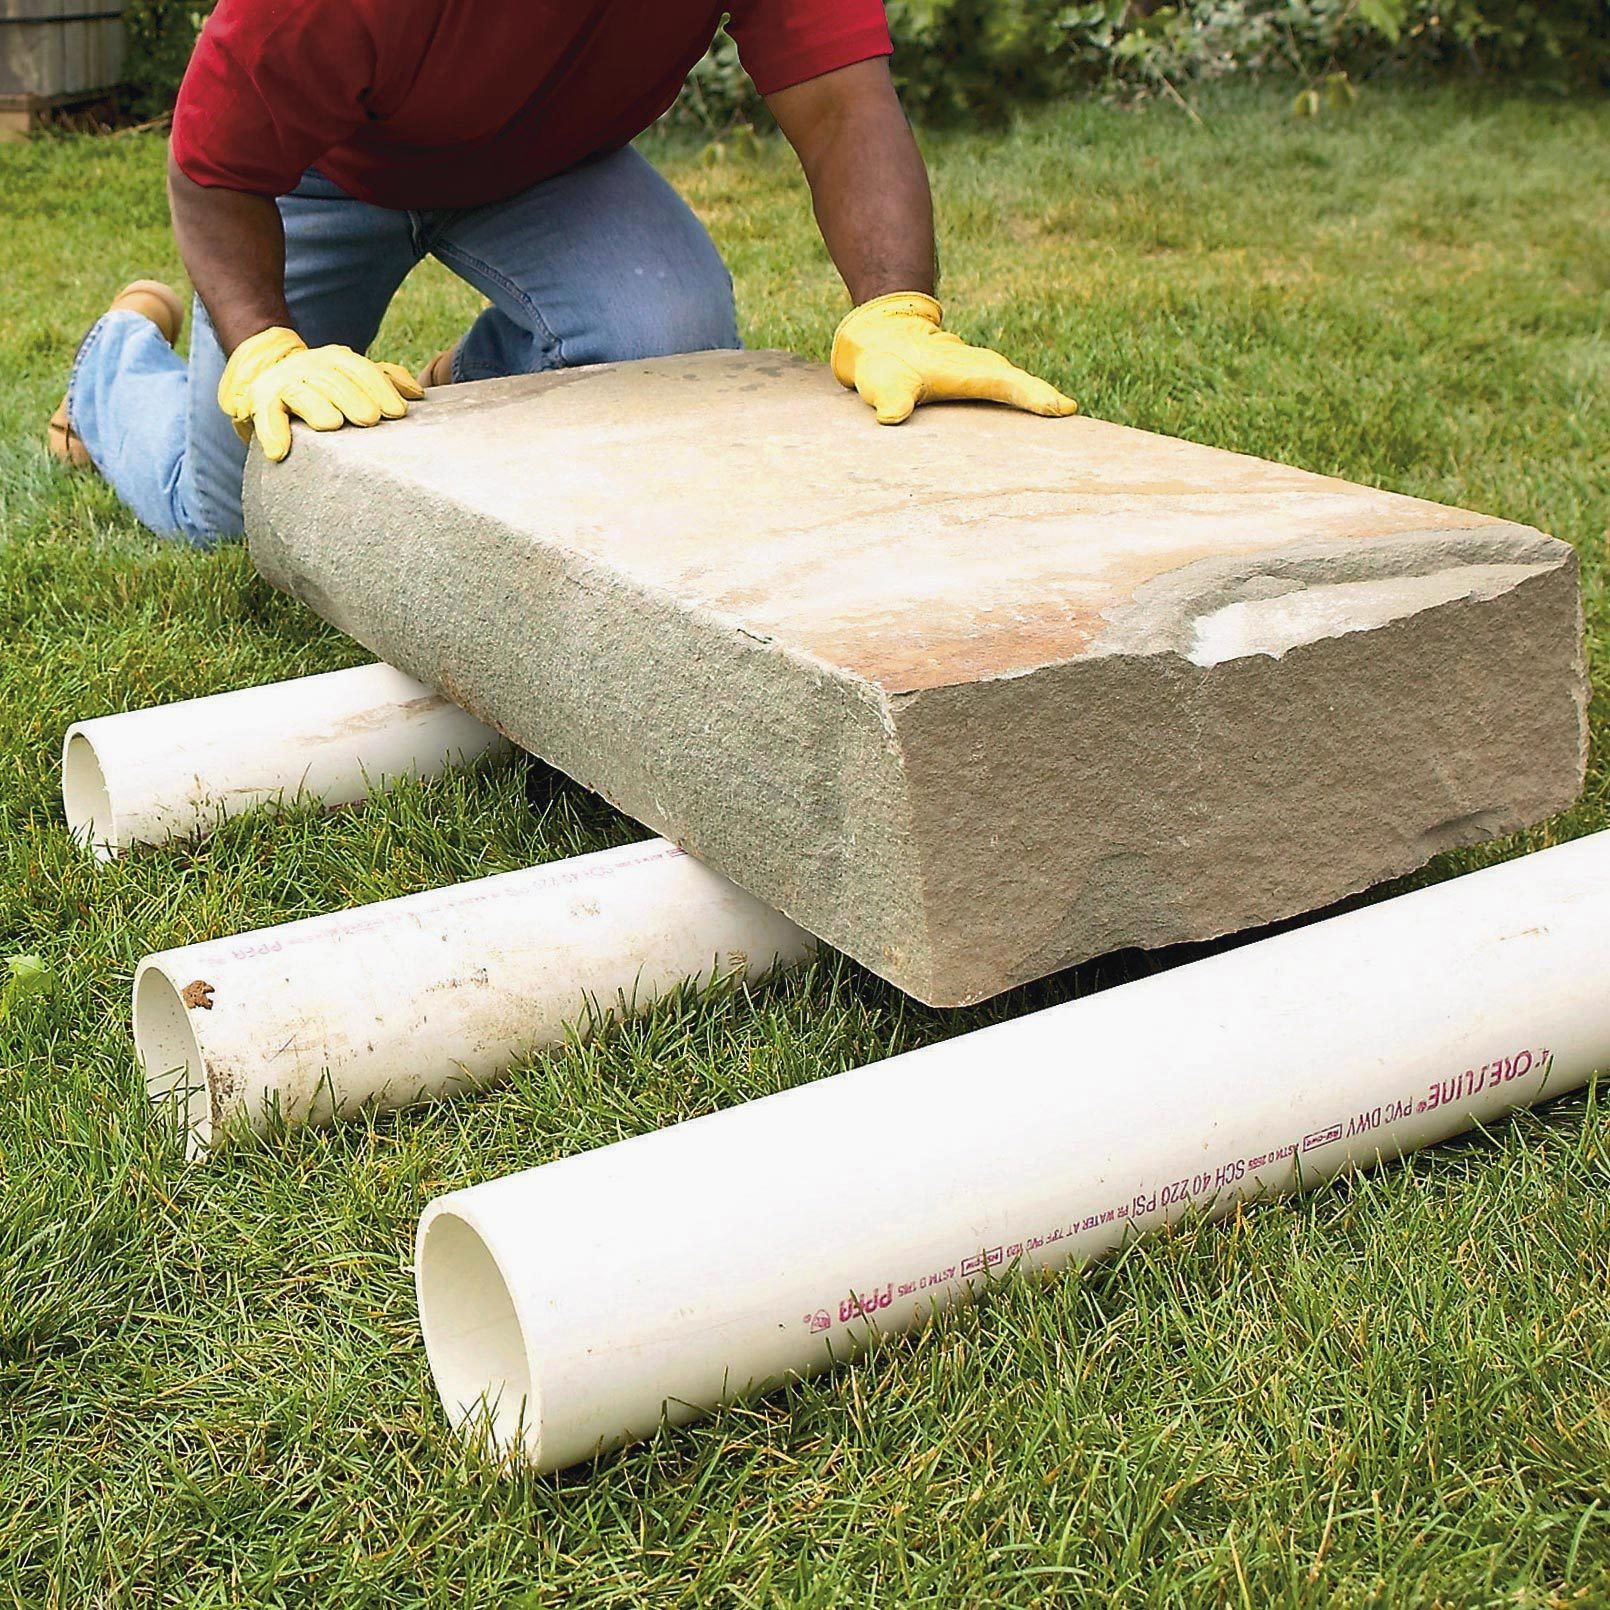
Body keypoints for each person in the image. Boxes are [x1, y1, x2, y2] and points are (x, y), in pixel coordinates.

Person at [49, 0, 1077, 546]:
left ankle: (463, 381)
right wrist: (264, 345)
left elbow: (844, 104)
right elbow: (213, 165)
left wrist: (894, 308)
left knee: (666, 338)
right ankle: (113, 363)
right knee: (231, 514)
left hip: (545, 166)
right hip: (318, 175)